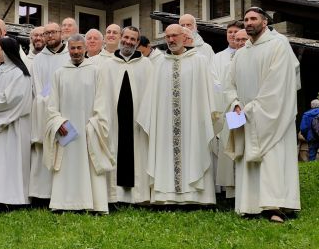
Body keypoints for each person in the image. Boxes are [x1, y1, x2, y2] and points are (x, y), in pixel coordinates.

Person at [225, 7, 301, 222]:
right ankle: (249, 205)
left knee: (272, 159)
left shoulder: (279, 45)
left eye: (253, 19)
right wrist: (236, 104)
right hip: (246, 115)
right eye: (246, 19)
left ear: (265, 22)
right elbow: (229, 86)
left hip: (272, 115)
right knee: (249, 161)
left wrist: (253, 109)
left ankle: (275, 205)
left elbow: (278, 84)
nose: (249, 22)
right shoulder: (241, 54)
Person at [137, 24, 219, 205]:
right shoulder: (159, 64)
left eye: (175, 36)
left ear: (184, 37)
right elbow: (151, 98)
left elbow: (207, 94)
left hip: (192, 123)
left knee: (194, 150)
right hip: (165, 125)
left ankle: (196, 197)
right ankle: (166, 197)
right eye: (168, 37)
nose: (171, 40)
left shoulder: (199, 61)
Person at [43, 34, 111, 213]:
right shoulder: (59, 73)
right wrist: (58, 122)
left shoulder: (96, 71)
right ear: (68, 49)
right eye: (72, 48)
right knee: (66, 166)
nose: (76, 52)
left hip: (89, 129)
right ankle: (64, 203)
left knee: (89, 166)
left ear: (85, 48)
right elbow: (51, 105)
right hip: (67, 130)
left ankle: (94, 204)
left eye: (79, 48)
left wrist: (94, 124)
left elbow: (102, 102)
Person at [96, 27, 153, 204]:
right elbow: (101, 94)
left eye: (133, 39)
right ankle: (116, 196)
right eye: (126, 37)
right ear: (121, 38)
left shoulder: (147, 65)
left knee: (138, 154)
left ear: (137, 43)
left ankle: (139, 196)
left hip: (137, 122)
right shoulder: (107, 65)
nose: (128, 41)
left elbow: (151, 95)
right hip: (115, 121)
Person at [0, 37, 33, 206]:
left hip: (14, 125)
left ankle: (12, 198)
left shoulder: (20, 73)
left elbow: (11, 99)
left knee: (10, 161)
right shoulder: (1, 70)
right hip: (1, 123)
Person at [29, 22, 69, 202]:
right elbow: (39, 87)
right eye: (46, 33)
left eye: (53, 32)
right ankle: (42, 195)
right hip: (45, 109)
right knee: (44, 152)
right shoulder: (38, 59)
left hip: (67, 110)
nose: (50, 36)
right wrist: (50, 104)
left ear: (61, 33)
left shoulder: (71, 55)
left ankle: (64, 194)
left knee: (66, 151)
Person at [210, 21, 244, 198]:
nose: (232, 35)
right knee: (228, 147)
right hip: (226, 108)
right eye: (229, 32)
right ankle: (230, 190)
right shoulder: (218, 57)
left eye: (236, 32)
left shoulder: (247, 55)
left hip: (242, 107)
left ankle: (244, 185)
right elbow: (215, 82)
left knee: (241, 144)